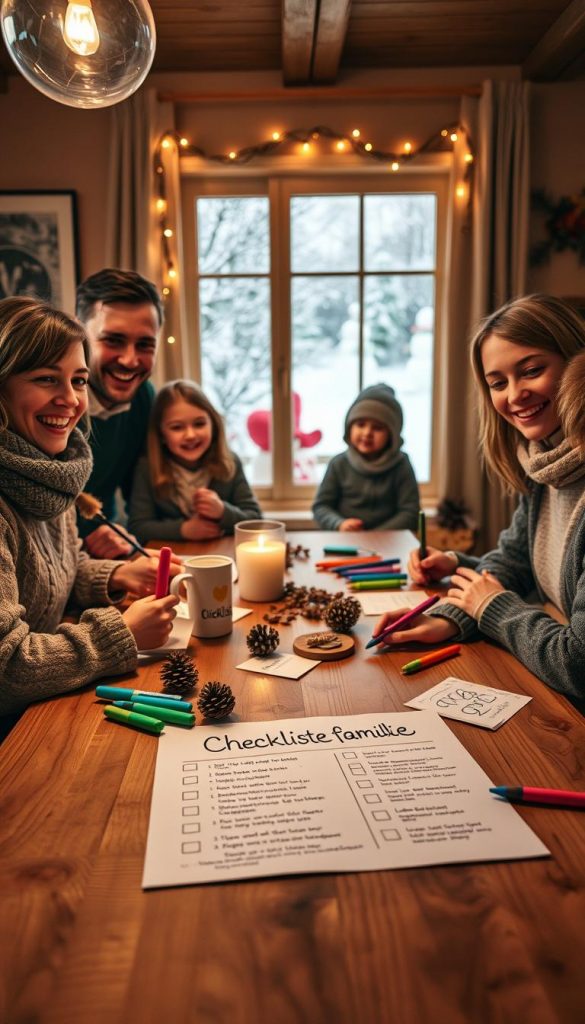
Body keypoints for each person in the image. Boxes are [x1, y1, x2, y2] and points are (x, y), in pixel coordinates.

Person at [374, 294, 585, 706]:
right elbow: (514, 563)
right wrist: (451, 615)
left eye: (532, 371)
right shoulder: (548, 465)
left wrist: (491, 607)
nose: (515, 395)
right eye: (498, 383)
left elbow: (577, 664)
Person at [0, 296, 180, 719]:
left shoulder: (50, 471)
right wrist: (123, 633)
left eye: (78, 380)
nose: (70, 399)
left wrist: (117, 573)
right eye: (47, 379)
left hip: (45, 710)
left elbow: (48, 574)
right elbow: (7, 668)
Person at [75, 268, 163, 559]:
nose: (129, 359)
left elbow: (139, 498)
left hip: (111, 556)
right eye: (113, 340)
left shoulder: (144, 397)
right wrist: (87, 536)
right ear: (78, 333)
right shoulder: (48, 405)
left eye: (145, 344)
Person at [128, 379, 262, 543]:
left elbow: (256, 521)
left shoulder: (230, 463)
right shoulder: (147, 468)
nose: (190, 435)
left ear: (213, 424)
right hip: (174, 561)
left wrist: (222, 511)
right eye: (177, 427)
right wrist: (183, 530)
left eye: (199, 424)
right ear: (161, 434)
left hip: (222, 558)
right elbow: (138, 527)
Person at [312, 383, 419, 531]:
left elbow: (410, 512)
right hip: (345, 542)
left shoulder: (401, 465)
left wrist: (376, 535)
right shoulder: (338, 464)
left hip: (390, 543)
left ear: (392, 435)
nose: (367, 433)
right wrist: (339, 524)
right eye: (361, 424)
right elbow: (321, 506)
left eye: (377, 427)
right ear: (349, 428)